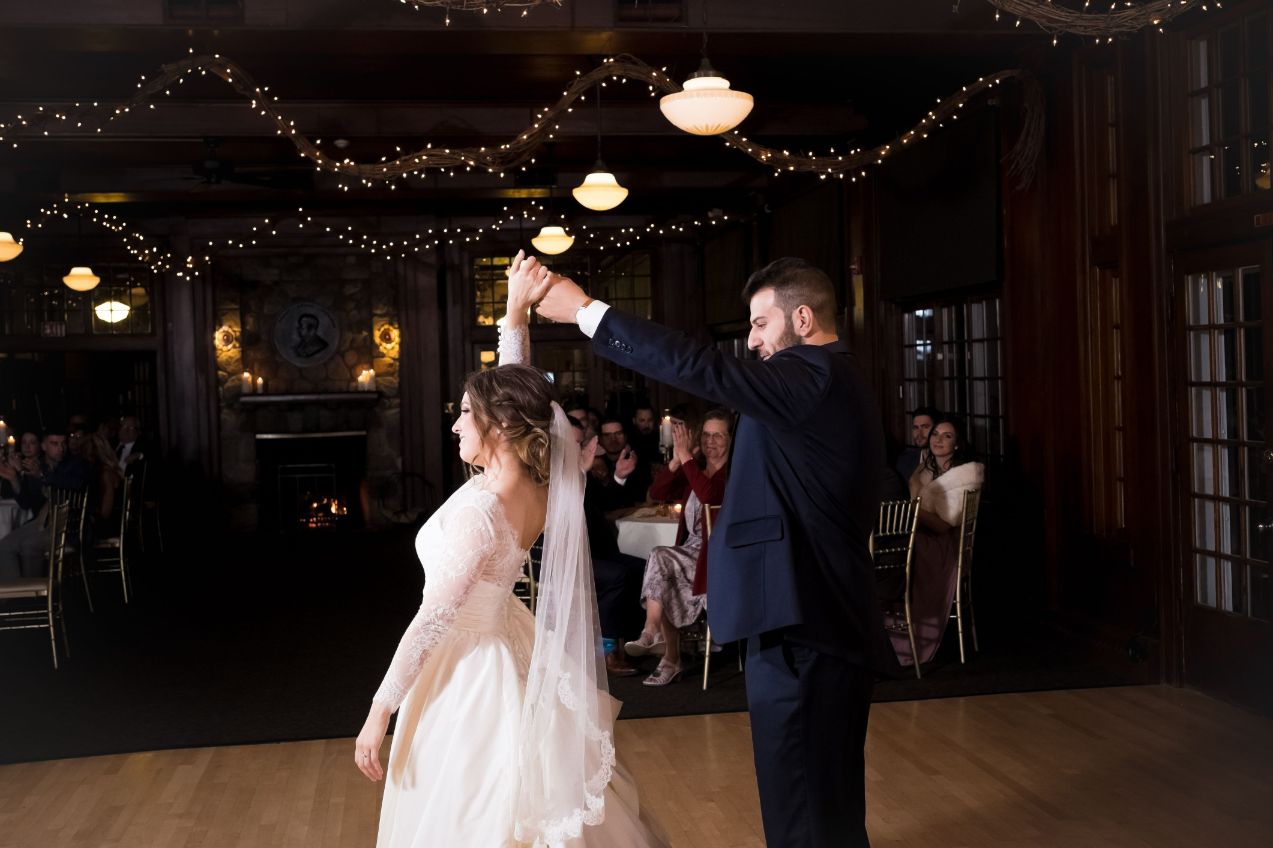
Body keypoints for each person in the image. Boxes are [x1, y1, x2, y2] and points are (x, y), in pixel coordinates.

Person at [535, 254, 889, 848]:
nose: (750, 342)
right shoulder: (828, 381)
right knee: (823, 797)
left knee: (801, 799)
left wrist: (586, 313)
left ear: (802, 319)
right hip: (817, 615)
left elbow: (702, 368)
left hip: (804, 620)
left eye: (758, 324)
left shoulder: (812, 374)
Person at [355, 251, 664, 848]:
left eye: (464, 415)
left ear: (498, 426)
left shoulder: (481, 508)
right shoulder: (534, 485)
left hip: (469, 670)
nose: (455, 426)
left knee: (474, 806)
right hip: (509, 645)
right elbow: (516, 389)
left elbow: (431, 620)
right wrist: (514, 314)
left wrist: (379, 712)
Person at [625, 411, 733, 686]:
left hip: (717, 558)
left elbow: (710, 495)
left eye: (718, 435)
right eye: (706, 435)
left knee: (660, 558)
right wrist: (675, 461)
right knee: (662, 567)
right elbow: (658, 492)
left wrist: (686, 457)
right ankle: (656, 638)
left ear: (731, 440)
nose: (710, 441)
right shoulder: (694, 469)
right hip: (690, 553)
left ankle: (666, 652)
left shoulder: (731, 474)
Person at [887, 414, 985, 668]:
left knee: (896, 551)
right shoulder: (925, 469)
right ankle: (886, 619)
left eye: (947, 435)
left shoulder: (966, 475)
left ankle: (896, 614)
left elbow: (943, 525)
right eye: (936, 434)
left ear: (958, 443)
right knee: (892, 545)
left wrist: (912, 510)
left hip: (944, 547)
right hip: (925, 537)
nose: (938, 440)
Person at [0, 427, 90, 578]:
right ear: (44, 446)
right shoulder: (37, 466)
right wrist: (14, 479)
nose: (60, 448)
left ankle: (34, 594)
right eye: (54, 443)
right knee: (4, 547)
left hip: (68, 528)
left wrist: (43, 476)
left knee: (28, 546)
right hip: (42, 522)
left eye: (63, 443)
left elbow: (76, 483)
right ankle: (15, 595)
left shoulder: (76, 464)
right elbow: (26, 503)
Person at [894, 406, 939, 482]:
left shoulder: (947, 462)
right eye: (915, 428)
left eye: (925, 427)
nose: (919, 433)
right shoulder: (905, 460)